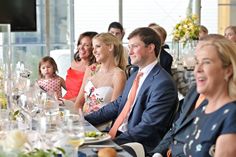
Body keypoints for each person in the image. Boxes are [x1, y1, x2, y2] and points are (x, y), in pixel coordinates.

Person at [85, 27, 178, 153]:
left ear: (150, 48)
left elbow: (147, 128)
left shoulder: (163, 83)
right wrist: (85, 120)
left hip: (139, 145)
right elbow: (118, 104)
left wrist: (112, 143)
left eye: (134, 46)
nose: (130, 52)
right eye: (129, 47)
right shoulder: (135, 75)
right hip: (119, 135)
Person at [149, 34, 227, 157]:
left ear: (228, 69)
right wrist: (157, 153)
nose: (197, 69)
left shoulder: (229, 111)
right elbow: (176, 127)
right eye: (196, 62)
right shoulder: (193, 92)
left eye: (206, 62)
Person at [74, 33, 127, 116]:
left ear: (110, 47)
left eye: (98, 46)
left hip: (102, 126)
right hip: (83, 122)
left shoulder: (118, 75)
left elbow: (112, 112)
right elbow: (78, 103)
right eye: (93, 48)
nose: (94, 51)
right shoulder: (91, 69)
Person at [63, 31, 98, 101]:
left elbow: (89, 96)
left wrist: (65, 102)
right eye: (80, 44)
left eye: (86, 45)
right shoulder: (74, 63)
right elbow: (69, 89)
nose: (81, 47)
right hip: (65, 102)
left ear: (93, 48)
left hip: (80, 106)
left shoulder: (95, 69)